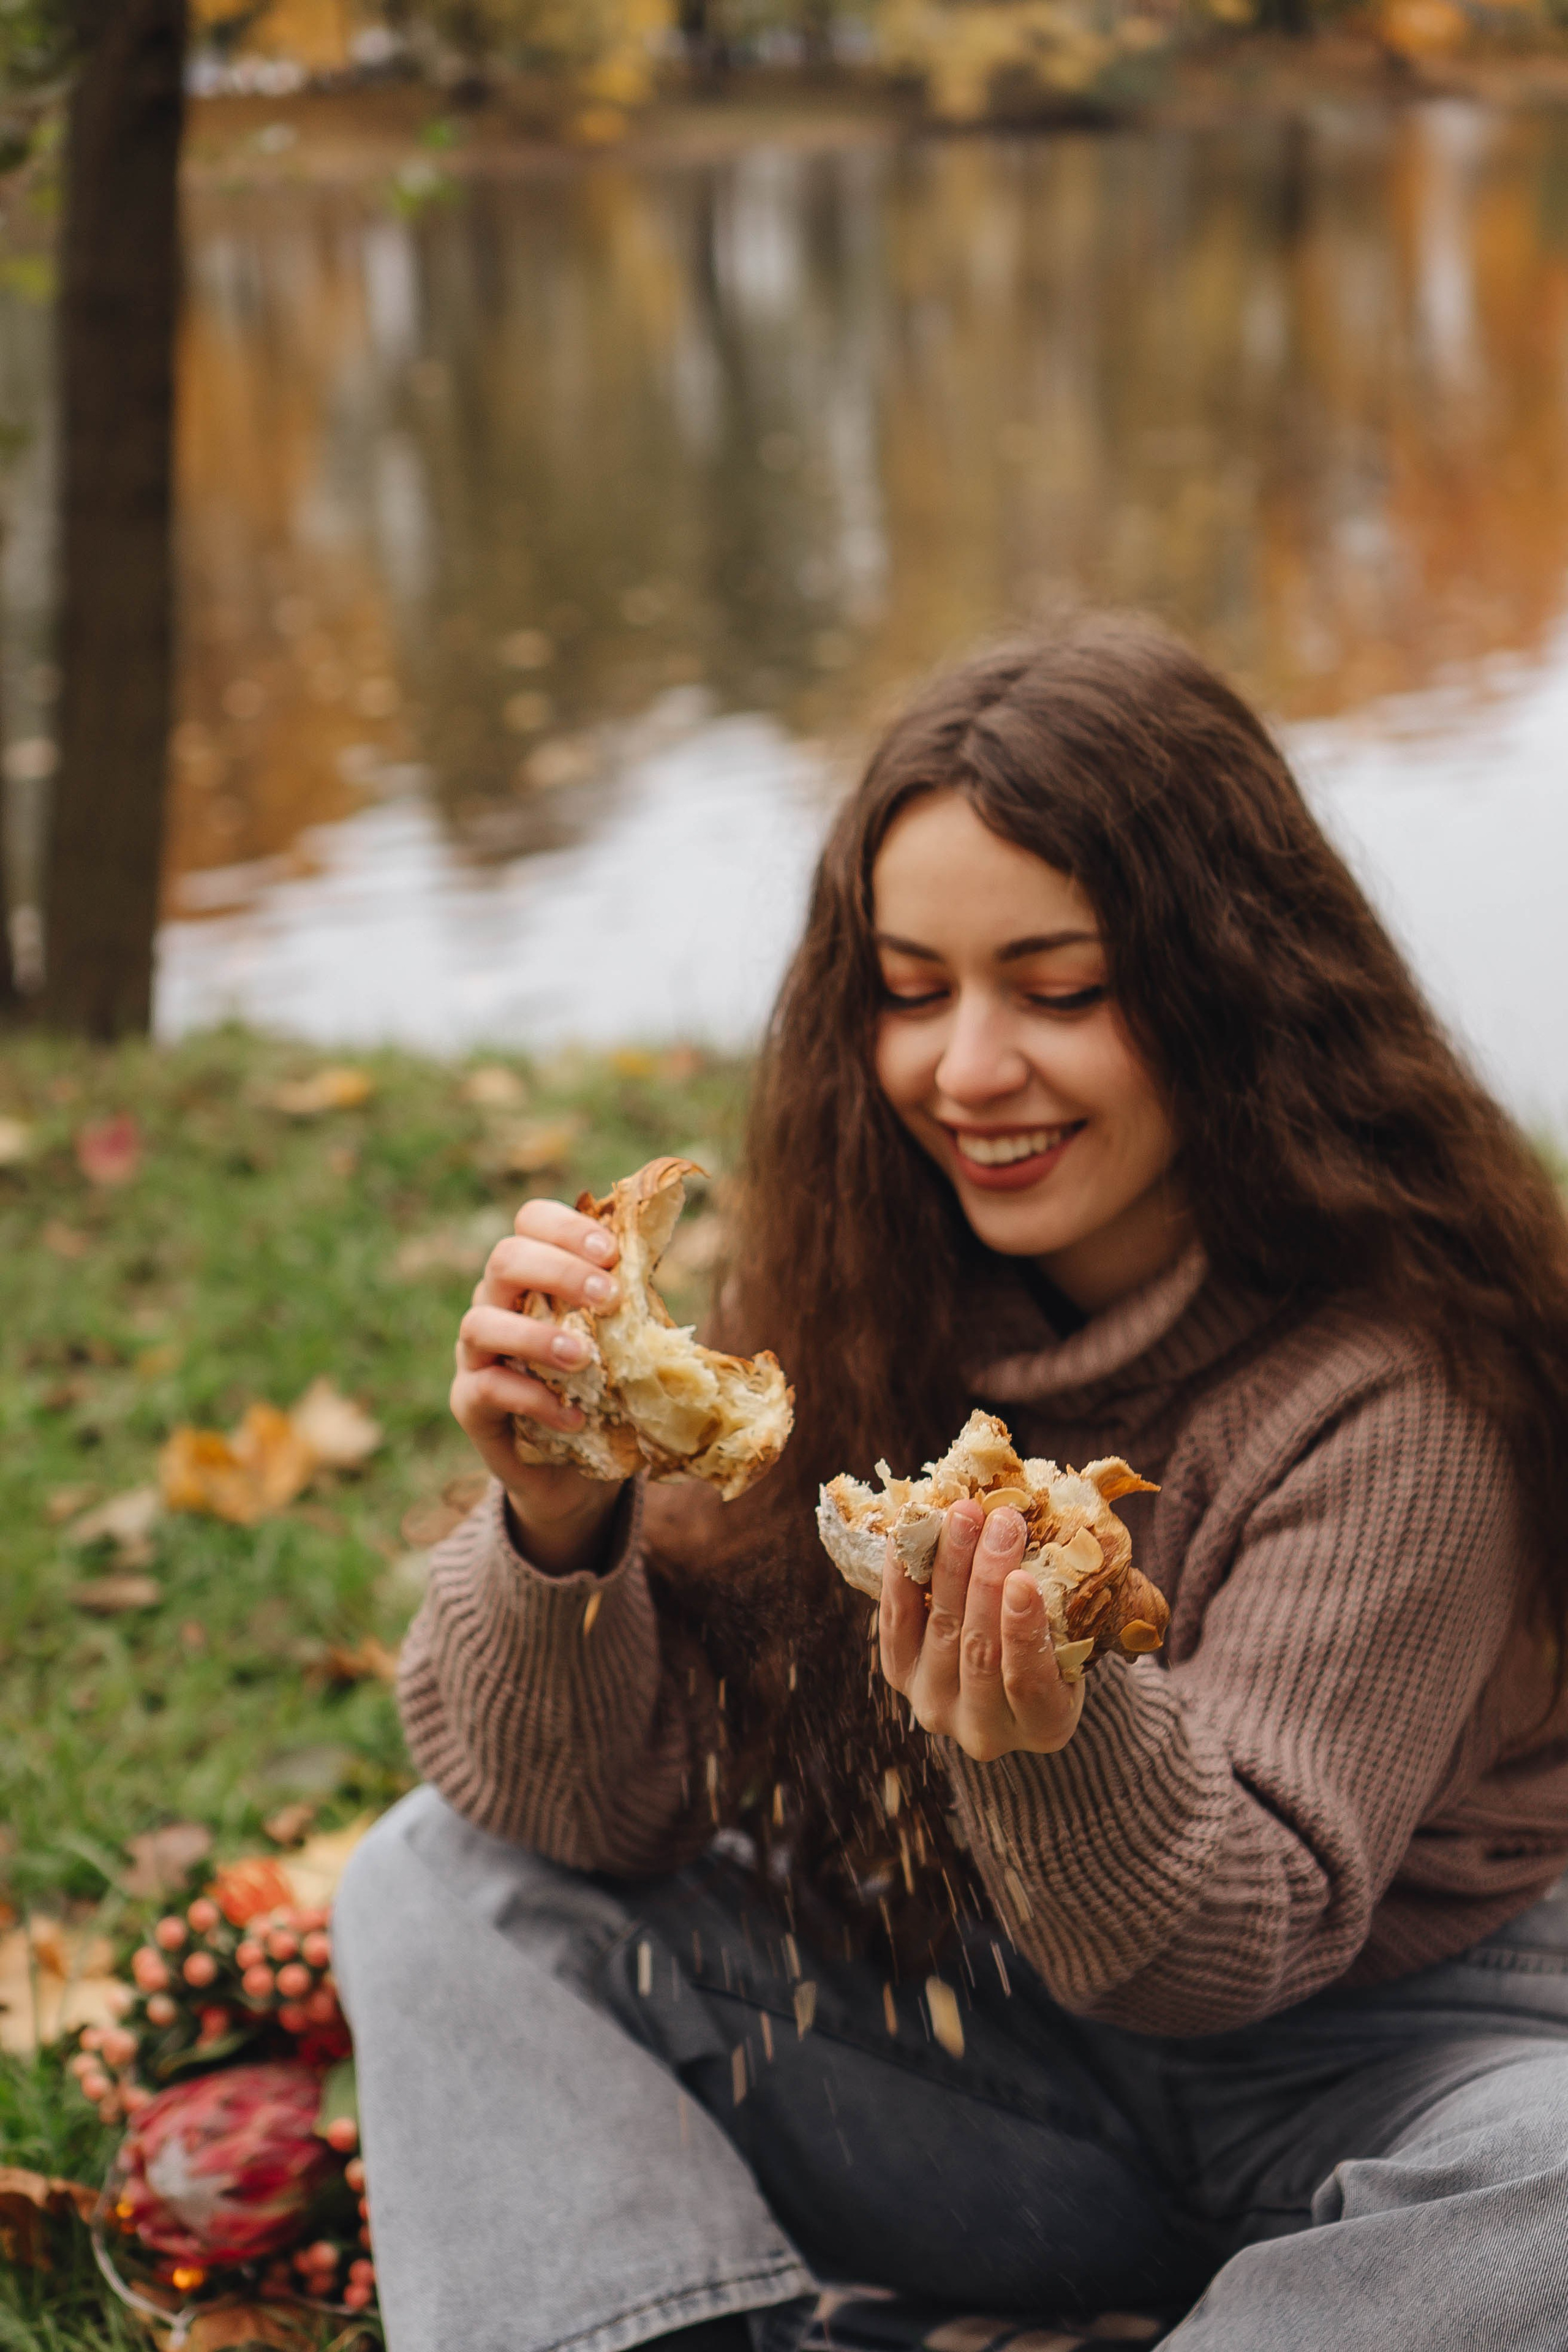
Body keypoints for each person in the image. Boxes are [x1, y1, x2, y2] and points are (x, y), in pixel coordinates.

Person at [334, 616, 1568, 2352]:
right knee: (434, 1883)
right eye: (912, 991)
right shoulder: (844, 1301)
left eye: (1057, 989)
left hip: (1394, 2076)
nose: (966, 1072)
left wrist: (1056, 1734)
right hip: (1012, 2086)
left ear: (1233, 986)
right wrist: (558, 1523)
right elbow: (583, 1815)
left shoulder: (1400, 1384)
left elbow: (1232, 1948)